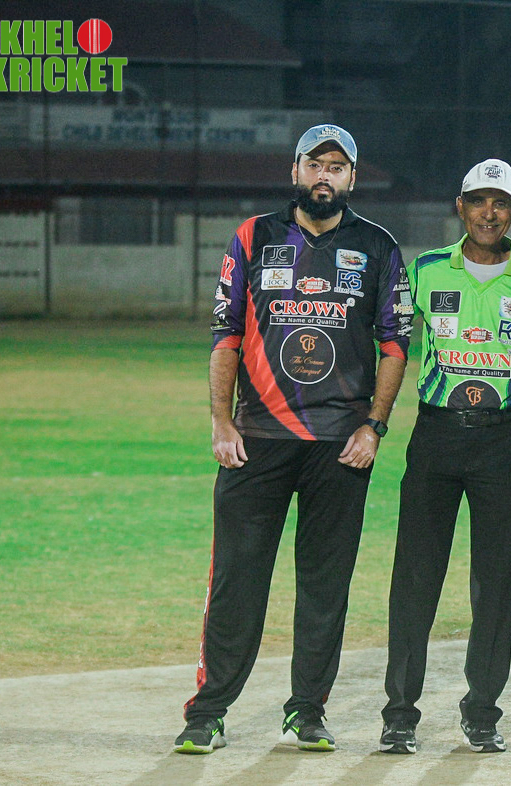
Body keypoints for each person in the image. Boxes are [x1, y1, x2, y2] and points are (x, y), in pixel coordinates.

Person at [173, 124, 412, 754]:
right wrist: (221, 420)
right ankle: (208, 711)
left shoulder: (378, 246)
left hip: (341, 446)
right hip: (257, 438)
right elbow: (226, 334)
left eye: (336, 166)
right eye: (314, 164)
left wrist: (374, 425)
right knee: (236, 581)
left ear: (352, 177)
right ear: (295, 170)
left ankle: (308, 709)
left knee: (325, 587)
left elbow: (394, 345)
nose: (323, 176)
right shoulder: (254, 237)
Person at [378, 159, 511, 755]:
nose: (488, 213)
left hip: (503, 440)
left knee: (496, 582)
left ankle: (482, 711)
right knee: (415, 577)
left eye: (500, 203)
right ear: (461, 206)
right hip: (437, 437)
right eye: (478, 200)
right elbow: (394, 344)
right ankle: (400, 714)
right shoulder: (426, 270)